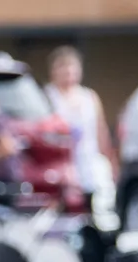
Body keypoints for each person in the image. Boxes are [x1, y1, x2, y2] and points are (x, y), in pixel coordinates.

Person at [45, 46, 119, 210]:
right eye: (62, 66)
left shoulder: (89, 97)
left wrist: (110, 162)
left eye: (72, 66)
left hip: (88, 163)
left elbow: (101, 131)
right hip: (59, 166)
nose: (68, 71)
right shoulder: (47, 97)